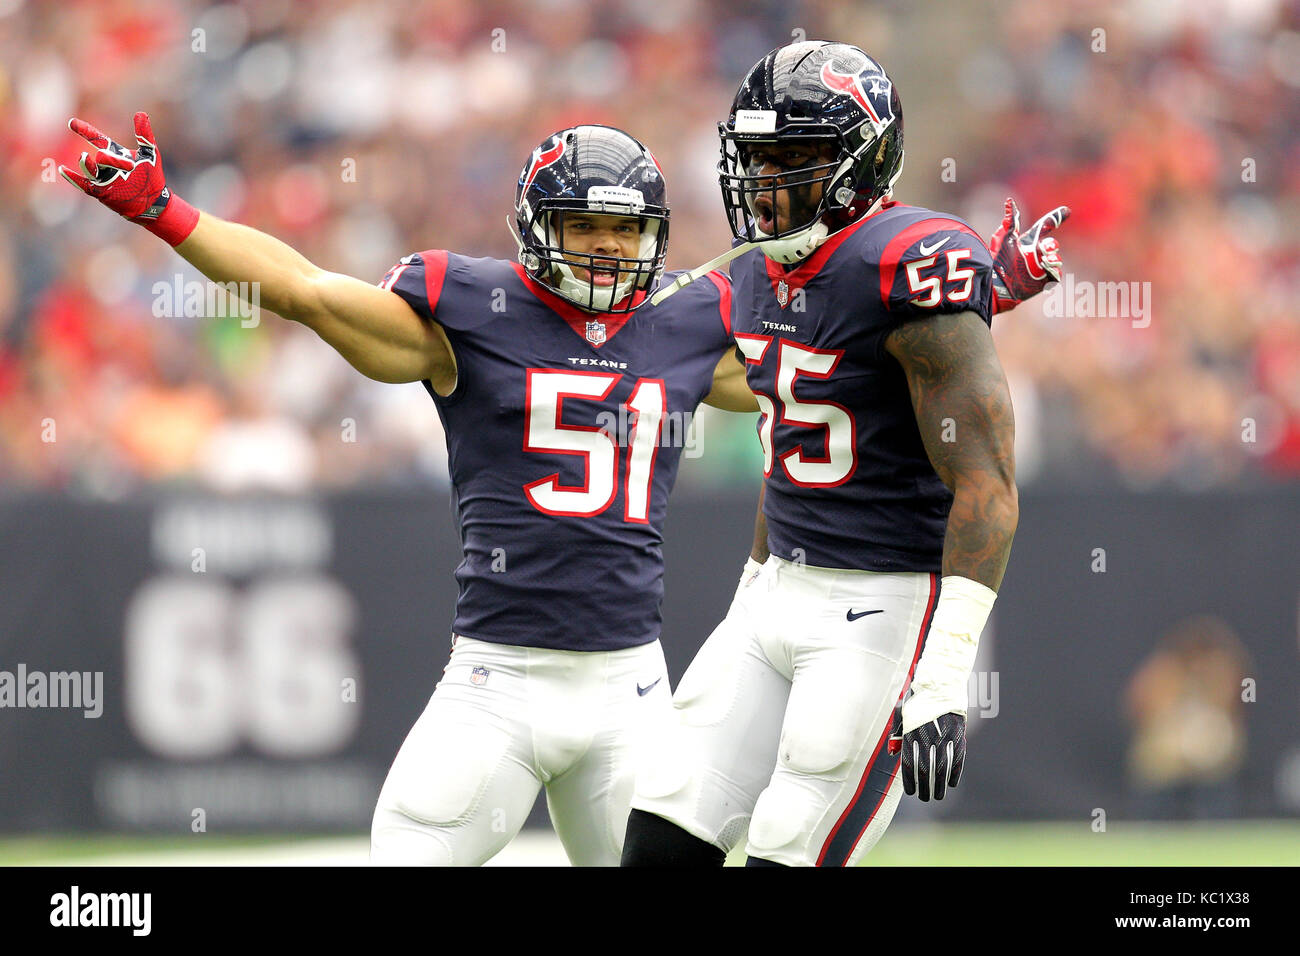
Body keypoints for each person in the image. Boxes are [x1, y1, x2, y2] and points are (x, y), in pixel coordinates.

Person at [59, 116, 755, 865]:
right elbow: (307, 292)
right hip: (500, 681)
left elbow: (815, 377)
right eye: (584, 225)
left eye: (625, 228)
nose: (608, 246)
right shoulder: (473, 310)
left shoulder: (688, 327)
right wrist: (169, 213)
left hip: (633, 688)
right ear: (536, 226)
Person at [622, 40, 1069, 867]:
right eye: (758, 160)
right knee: (660, 830)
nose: (768, 184)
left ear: (864, 161)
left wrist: (942, 677)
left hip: (883, 608)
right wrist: (755, 586)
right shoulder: (755, 273)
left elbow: (987, 484)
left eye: (796, 159)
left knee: (789, 846)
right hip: (776, 591)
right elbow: (807, 402)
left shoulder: (914, 261)